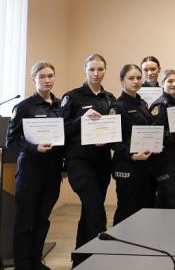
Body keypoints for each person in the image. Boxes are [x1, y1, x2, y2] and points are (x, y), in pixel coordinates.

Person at [60, 54, 119, 266]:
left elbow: (115, 128)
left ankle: (80, 261)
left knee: (89, 212)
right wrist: (80, 120)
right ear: (85, 69)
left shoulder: (110, 99)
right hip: (79, 161)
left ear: (105, 70)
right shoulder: (72, 97)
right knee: (96, 212)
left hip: (101, 162)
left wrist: (108, 137)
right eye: (92, 69)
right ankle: (99, 262)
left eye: (100, 69)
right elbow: (61, 130)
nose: (96, 74)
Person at [6, 61, 63, 270]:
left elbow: (65, 136)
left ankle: (35, 261)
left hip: (53, 172)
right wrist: (33, 148)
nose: (47, 80)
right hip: (30, 172)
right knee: (26, 220)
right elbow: (11, 141)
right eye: (42, 77)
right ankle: (22, 264)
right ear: (34, 80)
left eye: (50, 76)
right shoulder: (24, 107)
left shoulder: (61, 106)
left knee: (42, 219)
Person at [112, 64, 156, 225]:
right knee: (127, 209)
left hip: (145, 164)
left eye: (138, 78)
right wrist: (132, 155)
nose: (136, 81)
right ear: (122, 81)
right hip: (128, 164)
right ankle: (118, 240)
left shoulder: (142, 103)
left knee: (145, 208)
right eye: (131, 78)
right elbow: (114, 141)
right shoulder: (117, 106)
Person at [148, 70, 175, 210]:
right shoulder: (160, 106)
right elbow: (156, 136)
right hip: (163, 160)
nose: (174, 84)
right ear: (162, 83)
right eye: (170, 81)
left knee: (164, 200)